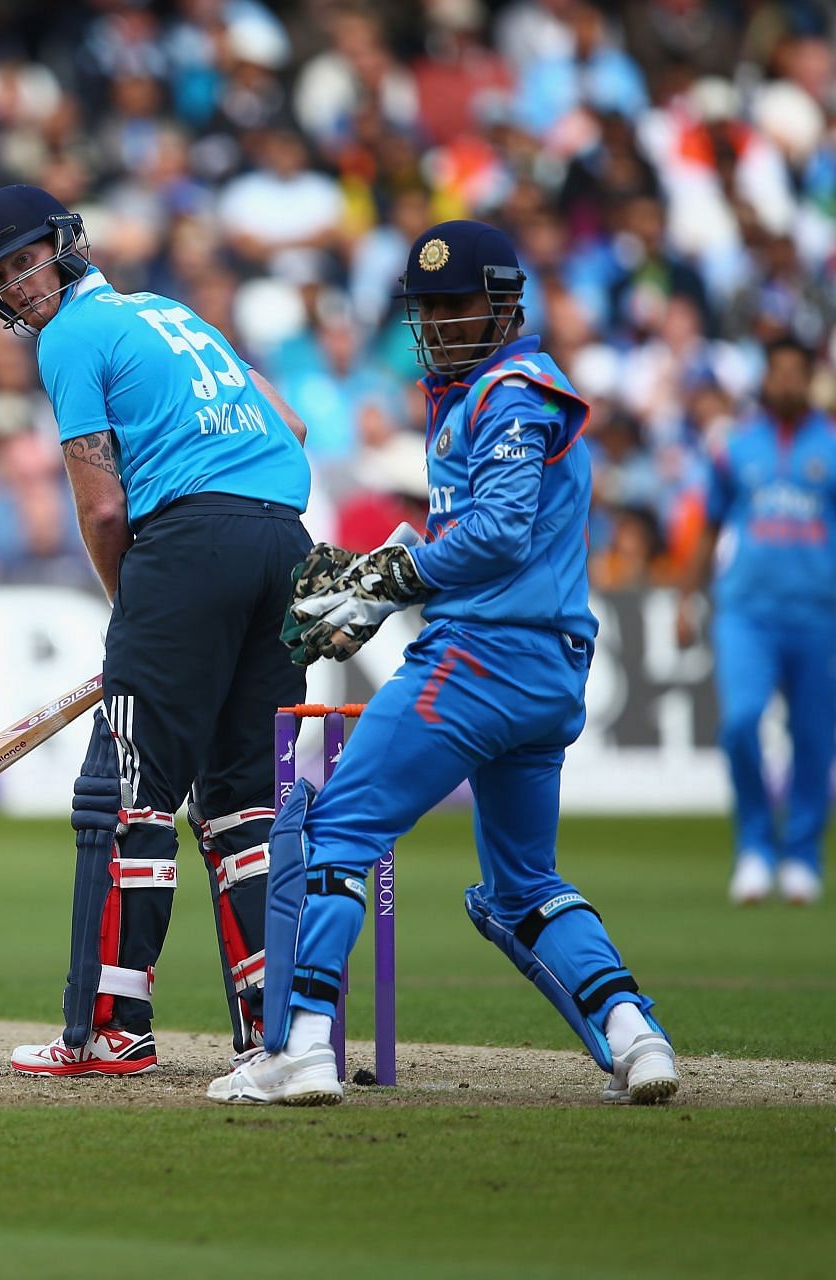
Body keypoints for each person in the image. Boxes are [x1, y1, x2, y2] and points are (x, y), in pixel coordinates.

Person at [213, 219, 680, 1106]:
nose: (440, 323)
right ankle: (634, 1034)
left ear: (505, 305)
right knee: (521, 886)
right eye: (427, 308)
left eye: (458, 304)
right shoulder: (474, 397)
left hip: (480, 660)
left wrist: (394, 578)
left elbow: (500, 531)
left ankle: (303, 1045)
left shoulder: (510, 390)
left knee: (334, 829)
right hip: (547, 673)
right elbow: (489, 528)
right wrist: (392, 567)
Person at [0, 184, 314, 1076]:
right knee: (242, 801)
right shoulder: (166, 312)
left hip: (187, 545)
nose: (18, 287)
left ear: (64, 245)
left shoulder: (72, 337)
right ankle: (277, 1038)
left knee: (126, 796)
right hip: (283, 542)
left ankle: (110, 1030)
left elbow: (103, 504)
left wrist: (137, 610)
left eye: (24, 259)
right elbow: (294, 424)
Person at [676, 339, 834, 906]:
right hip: (746, 612)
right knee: (741, 723)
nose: (787, 383)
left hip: (818, 614)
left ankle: (801, 856)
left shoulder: (832, 446)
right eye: (779, 373)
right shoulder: (736, 448)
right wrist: (685, 599)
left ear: (810, 380)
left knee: (814, 738)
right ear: (765, 380)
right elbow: (710, 527)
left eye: (798, 374)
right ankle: (755, 849)